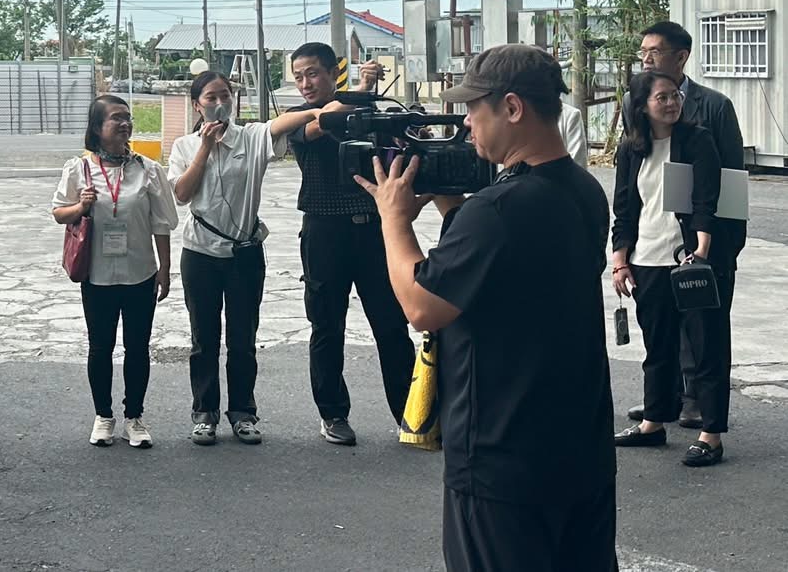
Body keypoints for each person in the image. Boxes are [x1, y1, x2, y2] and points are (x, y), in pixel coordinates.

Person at [359, 45, 615, 572]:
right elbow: (508, 271)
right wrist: (454, 204)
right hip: (580, 451)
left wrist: (393, 219)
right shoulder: (585, 191)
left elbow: (422, 306)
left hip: (502, 458)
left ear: (513, 108)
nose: (466, 125)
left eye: (474, 109)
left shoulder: (497, 210)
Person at [169, 71, 319, 446]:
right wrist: (205, 147)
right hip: (200, 253)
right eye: (210, 97)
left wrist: (320, 108)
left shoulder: (251, 137)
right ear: (196, 105)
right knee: (204, 338)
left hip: (244, 254)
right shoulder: (184, 146)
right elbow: (182, 194)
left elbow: (284, 123)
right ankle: (204, 413)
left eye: (225, 95)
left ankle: (243, 413)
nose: (220, 103)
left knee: (242, 338)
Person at [288, 44, 414, 446]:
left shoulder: (368, 112)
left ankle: (411, 414)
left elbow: (394, 141)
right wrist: (360, 91)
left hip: (374, 231)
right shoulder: (298, 117)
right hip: (324, 232)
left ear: (332, 74)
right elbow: (324, 123)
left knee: (392, 325)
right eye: (299, 76)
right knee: (327, 325)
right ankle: (333, 414)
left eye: (313, 73)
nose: (306, 83)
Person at [624, 20, 747, 432]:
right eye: (643, 52)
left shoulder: (713, 107)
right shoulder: (633, 102)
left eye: (654, 52)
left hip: (703, 240)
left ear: (680, 57)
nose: (646, 59)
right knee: (661, 331)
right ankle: (664, 402)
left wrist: (725, 246)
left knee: (704, 333)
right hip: (654, 244)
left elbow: (731, 182)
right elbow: (635, 180)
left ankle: (698, 403)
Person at [611, 71, 729, 466]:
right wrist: (620, 260)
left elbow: (706, 200)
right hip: (647, 260)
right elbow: (624, 208)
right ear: (642, 105)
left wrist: (701, 252)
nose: (672, 102)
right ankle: (653, 422)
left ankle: (711, 434)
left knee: (706, 345)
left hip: (689, 260)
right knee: (657, 346)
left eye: (675, 95)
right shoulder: (632, 148)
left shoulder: (697, 140)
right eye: (661, 97)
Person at [52, 95, 176, 449]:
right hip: (98, 275)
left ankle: (134, 417)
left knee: (138, 347)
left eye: (128, 118)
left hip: (140, 272)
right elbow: (59, 212)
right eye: (116, 118)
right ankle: (103, 416)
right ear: (97, 127)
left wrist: (165, 269)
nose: (125, 124)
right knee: (100, 346)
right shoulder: (79, 169)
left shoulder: (148, 170)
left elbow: (161, 223)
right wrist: (81, 205)